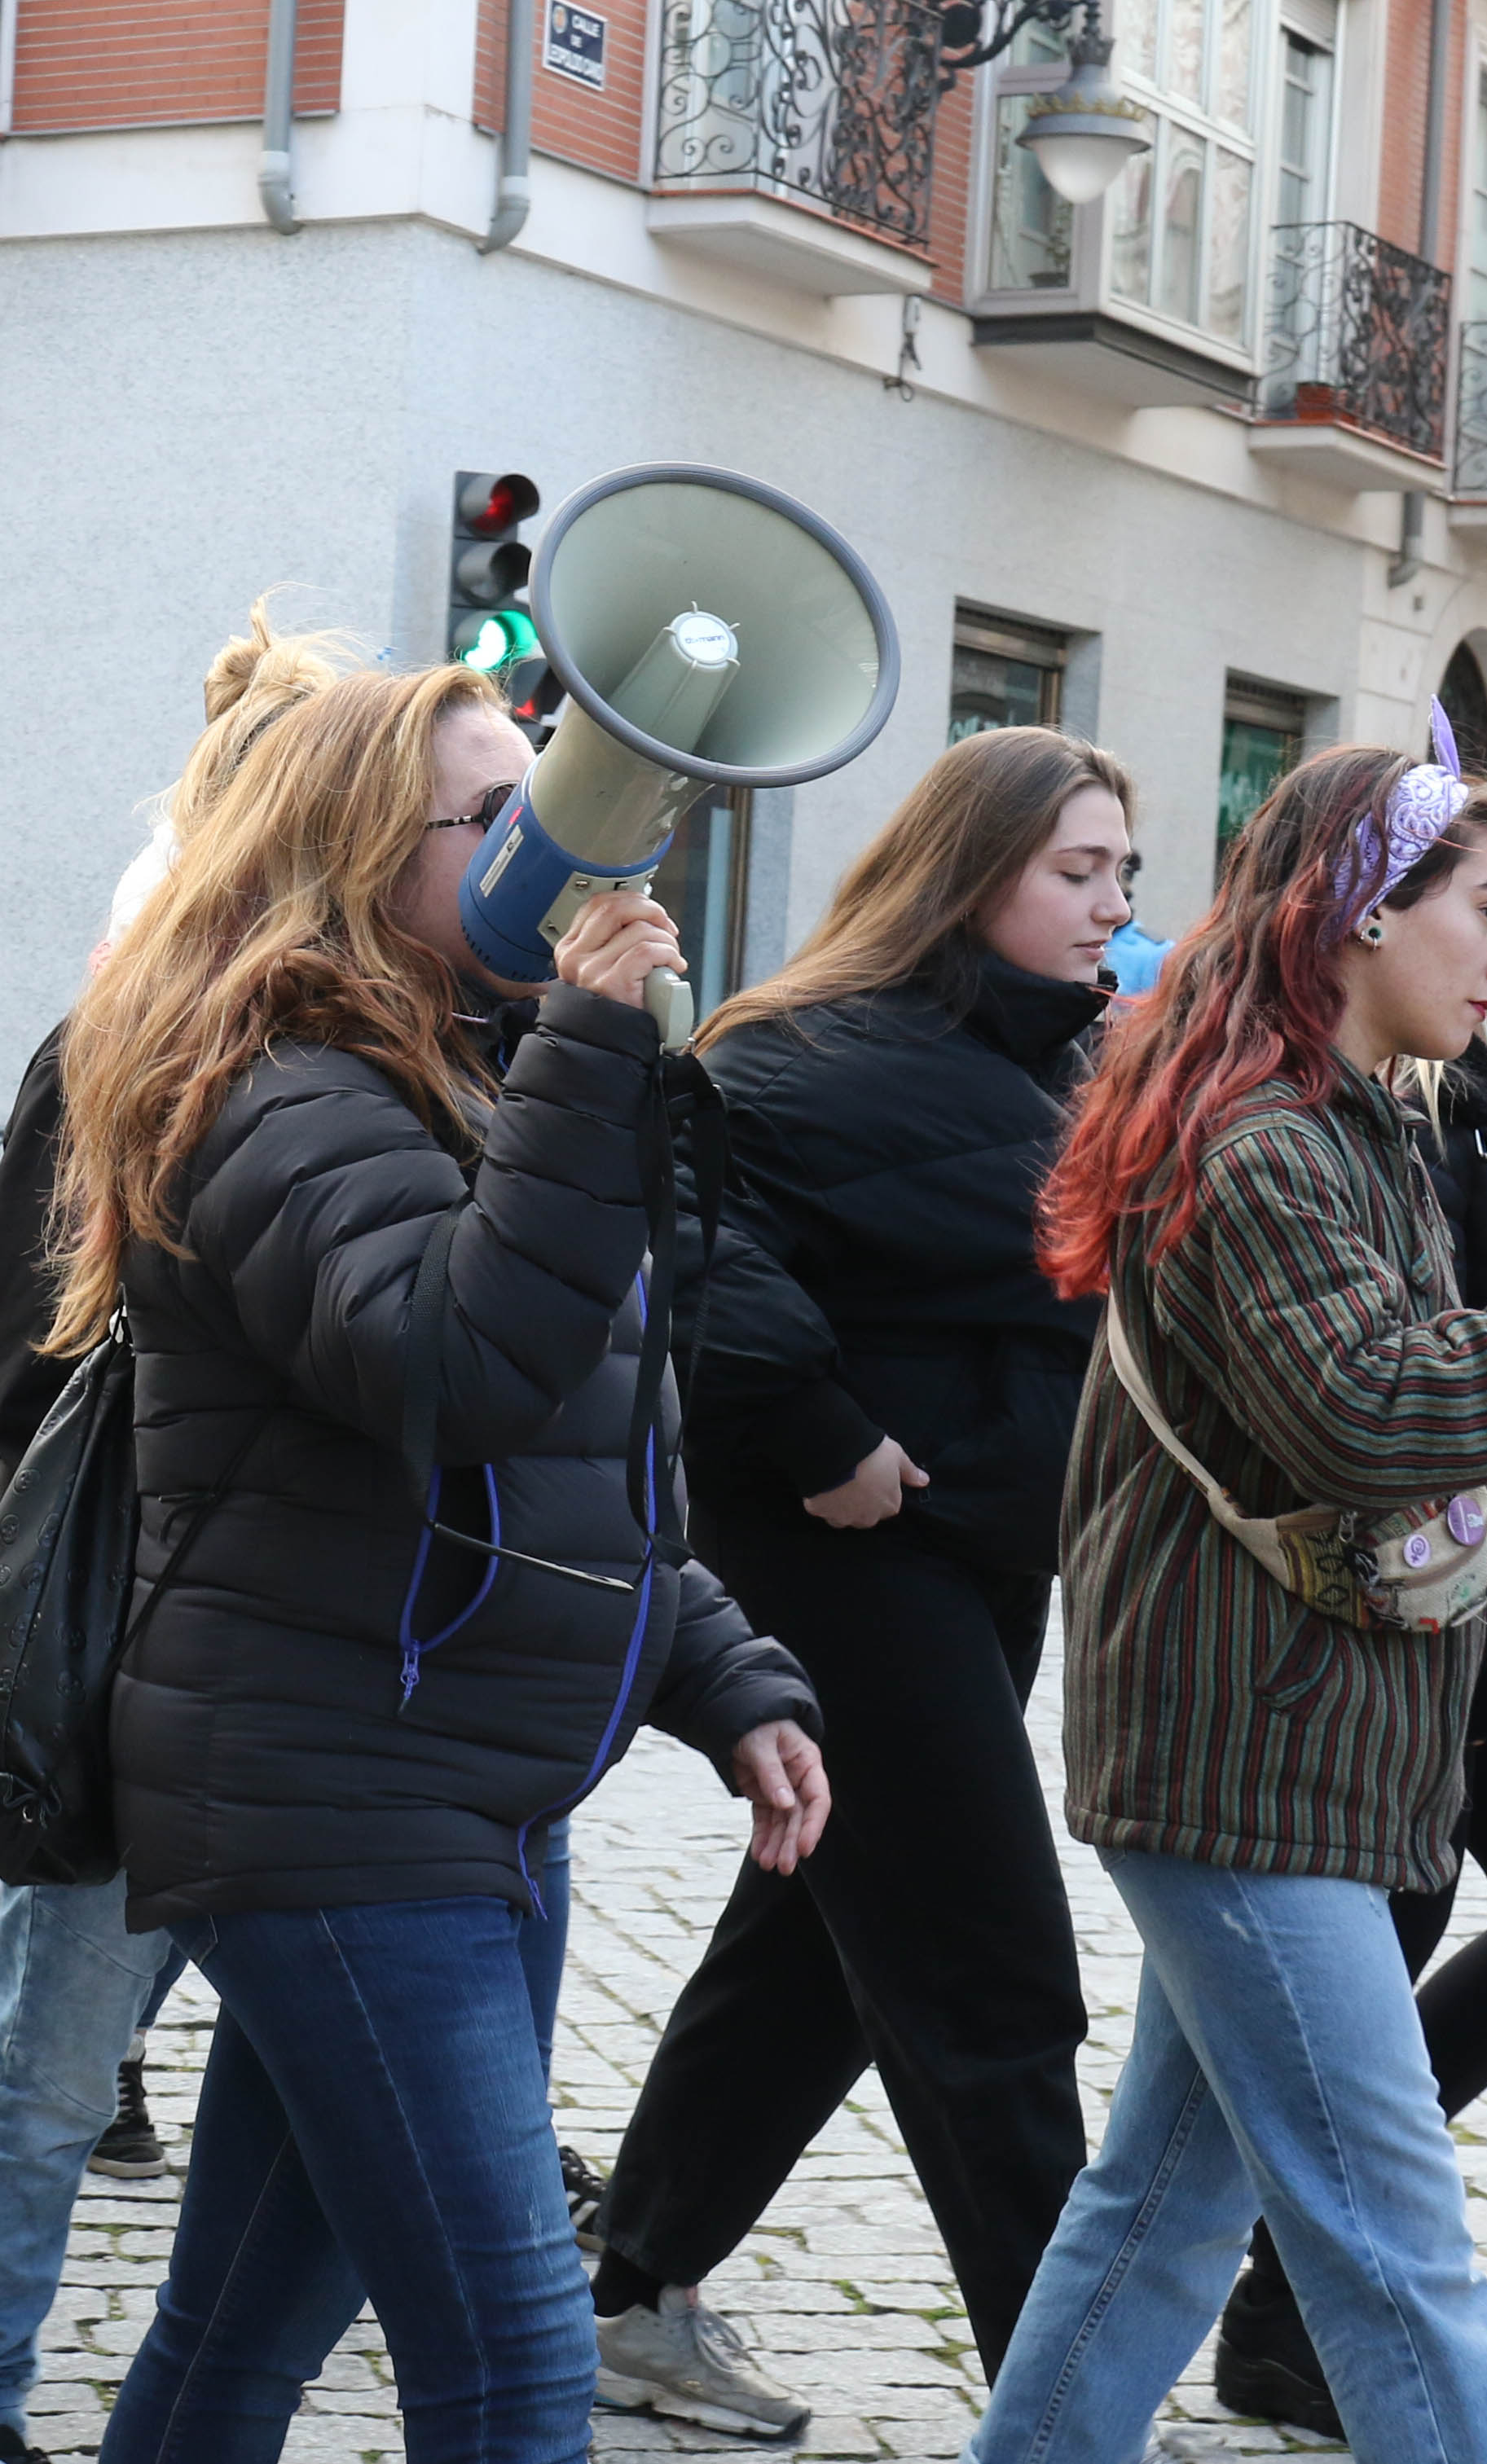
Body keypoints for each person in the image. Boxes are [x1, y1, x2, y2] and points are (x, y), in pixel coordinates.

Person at [67, 659, 831, 2464]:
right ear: (349, 851)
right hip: (342, 1807)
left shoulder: (446, 1077)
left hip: (447, 1795)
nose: (547, 845)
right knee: (509, 2366)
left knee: (240, 2333)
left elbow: (579, 1446)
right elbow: (456, 1370)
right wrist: (588, 1051)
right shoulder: (273, 1092)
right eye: (498, 817)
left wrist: (718, 1671)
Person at [969, 734, 1487, 2464]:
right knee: (1395, 2254)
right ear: (1364, 915)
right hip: (1254, 1770)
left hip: (1290, 1754)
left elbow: (1404, 1428)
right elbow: (1375, 1410)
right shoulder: (1267, 1139)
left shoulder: (1354, 1121)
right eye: (1485, 905)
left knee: (1157, 2217)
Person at [583, 727, 1137, 2427]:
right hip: (845, 1563)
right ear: (968, 875)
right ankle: (1071, 2412)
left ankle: (629, 2294)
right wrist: (824, 1431)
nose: (1113, 901)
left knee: (820, 1946)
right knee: (990, 1972)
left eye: (1122, 869)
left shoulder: (1072, 1066)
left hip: (979, 1555)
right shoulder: (799, 1051)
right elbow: (679, 1236)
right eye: (1077, 869)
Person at [0, 609, 353, 2464]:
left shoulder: (366, 1046)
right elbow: (20, 1364)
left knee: (306, 2085)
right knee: (50, 2063)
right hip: (139, 1651)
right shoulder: (112, 1040)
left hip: (308, 1680)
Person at [1208, 788, 1487, 2435]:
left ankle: (1274, 2289)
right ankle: (1299, 2302)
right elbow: (1393, 1387)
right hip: (1416, 1596)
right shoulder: (1368, 1120)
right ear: (1380, 914)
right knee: (1340, 1997)